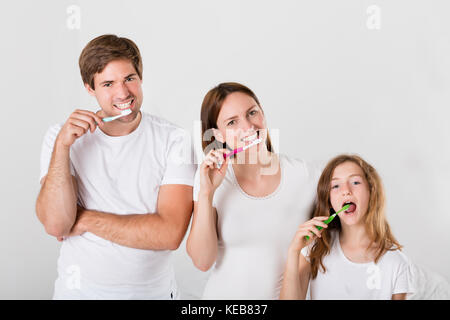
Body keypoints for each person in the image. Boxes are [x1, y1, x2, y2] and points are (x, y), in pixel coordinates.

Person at [35, 34, 196, 299]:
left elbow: (169, 234)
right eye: (108, 83)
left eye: (129, 79)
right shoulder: (59, 138)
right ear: (90, 88)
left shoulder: (174, 141)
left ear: (140, 78)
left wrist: (84, 218)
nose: (123, 93)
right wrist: (63, 148)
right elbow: (56, 225)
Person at [186, 82, 320, 299]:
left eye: (252, 113)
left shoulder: (305, 175)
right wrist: (206, 193)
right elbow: (202, 262)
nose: (248, 127)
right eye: (232, 122)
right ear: (217, 135)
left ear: (263, 113)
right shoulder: (210, 182)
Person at [280, 154, 415, 299]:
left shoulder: (396, 262)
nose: (346, 190)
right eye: (336, 185)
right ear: (329, 200)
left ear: (371, 191)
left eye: (355, 182)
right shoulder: (316, 248)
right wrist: (294, 251)